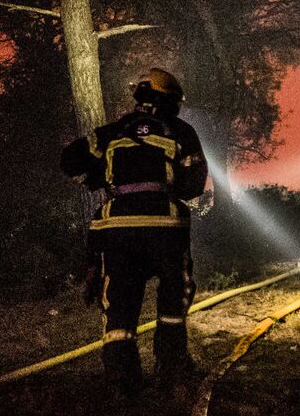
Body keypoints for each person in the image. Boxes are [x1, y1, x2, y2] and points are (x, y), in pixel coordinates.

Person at [60, 68, 208, 396]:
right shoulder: (180, 131)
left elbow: (69, 160)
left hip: (117, 231)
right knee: (173, 296)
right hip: (164, 229)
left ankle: (121, 380)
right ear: (170, 100)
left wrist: (97, 180)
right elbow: (194, 183)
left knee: (119, 304)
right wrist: (165, 190)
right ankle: (171, 368)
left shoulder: (112, 132)